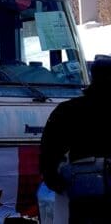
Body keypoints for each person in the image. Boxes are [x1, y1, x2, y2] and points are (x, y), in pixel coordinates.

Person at [41, 58, 111, 223]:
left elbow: (49, 151)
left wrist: (55, 181)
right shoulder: (68, 110)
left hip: (84, 189)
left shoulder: (68, 110)